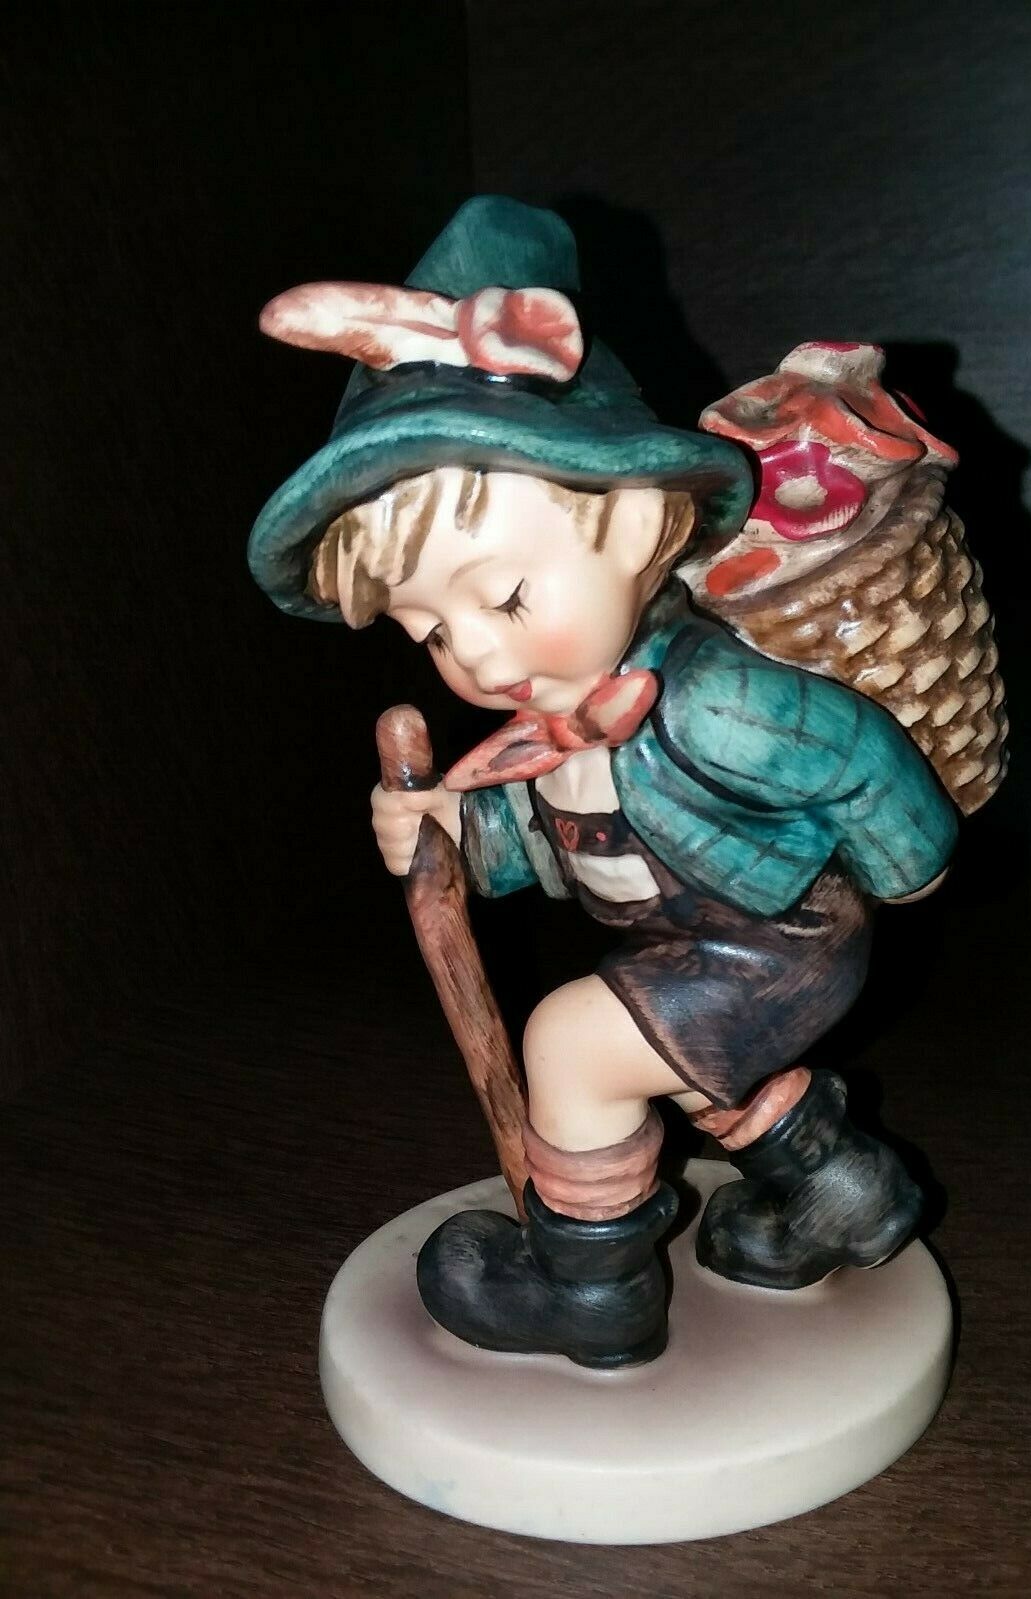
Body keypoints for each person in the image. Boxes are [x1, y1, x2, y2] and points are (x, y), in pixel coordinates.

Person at [249, 197, 957, 1369]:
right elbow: (544, 836)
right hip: (696, 939)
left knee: (577, 1048)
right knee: (682, 1072)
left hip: (778, 942)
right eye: (434, 630)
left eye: (504, 597)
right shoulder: (550, 721)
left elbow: (859, 756)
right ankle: (839, 1194)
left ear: (634, 523)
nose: (478, 657)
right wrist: (446, 829)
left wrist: (910, 868)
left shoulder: (717, 701)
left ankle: (592, 1294)